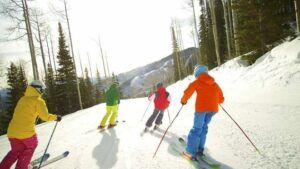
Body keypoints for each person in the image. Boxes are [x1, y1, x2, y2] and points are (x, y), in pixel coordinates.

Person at [0, 80, 62, 169]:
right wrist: (56, 117)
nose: (43, 92)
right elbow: (45, 117)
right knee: (31, 146)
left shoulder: (22, 99)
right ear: (37, 89)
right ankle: (22, 166)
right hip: (26, 133)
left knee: (16, 151)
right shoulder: (38, 101)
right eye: (42, 89)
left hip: (12, 132)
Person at [180, 64, 224, 160]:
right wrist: (218, 101)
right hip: (213, 109)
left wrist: (183, 100)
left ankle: (190, 152)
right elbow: (221, 97)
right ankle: (200, 150)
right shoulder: (214, 83)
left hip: (201, 109)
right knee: (204, 128)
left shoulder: (197, 82)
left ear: (196, 73)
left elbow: (188, 92)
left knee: (197, 129)